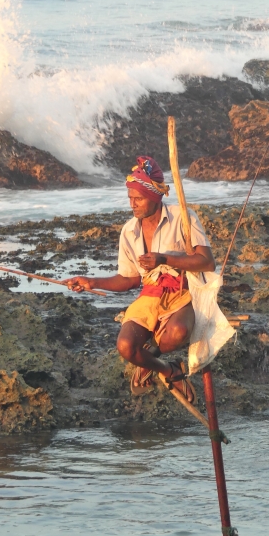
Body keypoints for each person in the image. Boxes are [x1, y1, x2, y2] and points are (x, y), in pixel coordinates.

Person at [64, 155, 215, 402]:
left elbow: (207, 262)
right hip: (150, 296)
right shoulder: (129, 231)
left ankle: (150, 355)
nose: (133, 205)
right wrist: (91, 282)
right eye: (130, 199)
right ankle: (170, 370)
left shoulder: (183, 217)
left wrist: (164, 259)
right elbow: (130, 279)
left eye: (139, 199)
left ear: (155, 197)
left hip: (181, 295)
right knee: (125, 346)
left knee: (176, 333)